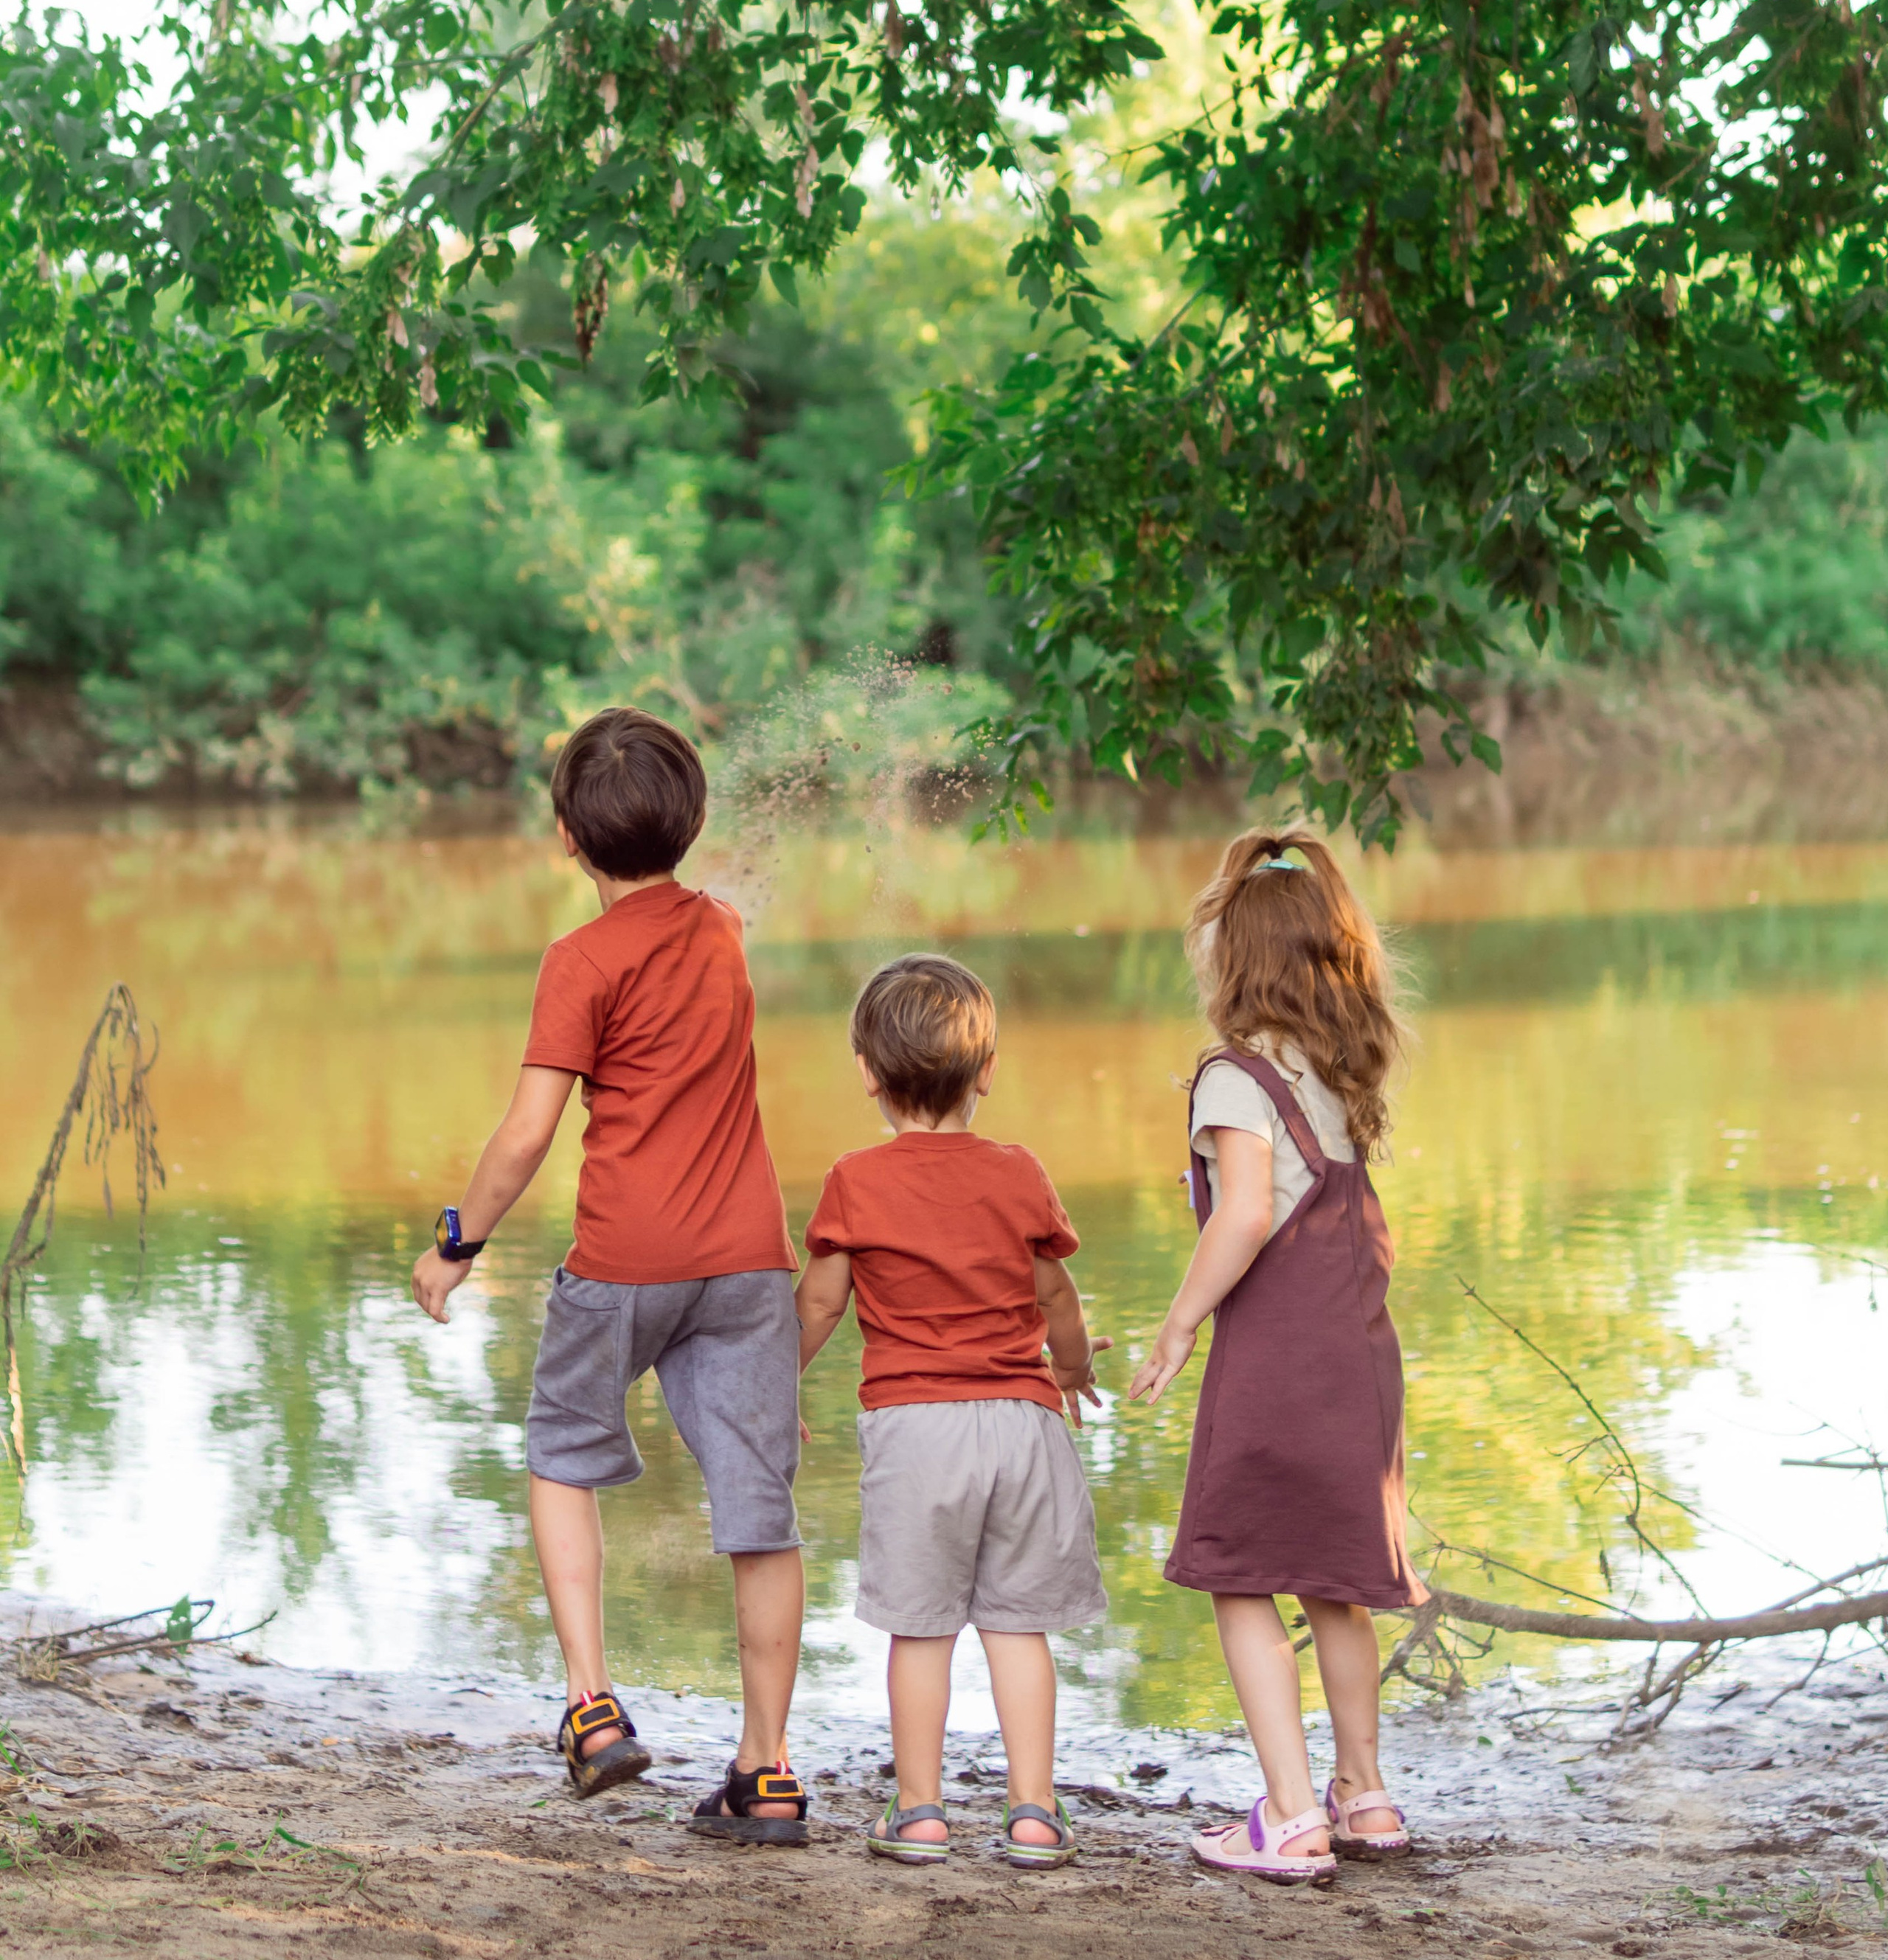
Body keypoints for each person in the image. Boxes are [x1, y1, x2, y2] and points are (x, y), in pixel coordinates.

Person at [409, 707, 811, 1843]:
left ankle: (592, 1707)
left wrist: (457, 1241)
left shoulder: (578, 960)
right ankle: (766, 1769)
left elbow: (529, 1132)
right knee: (760, 1511)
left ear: (565, 838)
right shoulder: (724, 927)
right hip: (746, 1265)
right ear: (691, 824)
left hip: (624, 1260)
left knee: (559, 1451)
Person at [1128, 830, 1420, 1886]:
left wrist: (1178, 1323)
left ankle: (1290, 1815)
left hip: (1278, 1359)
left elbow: (1246, 1214)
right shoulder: (1346, 1074)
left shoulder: (1234, 1075)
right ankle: (1363, 1790)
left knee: (1240, 1574)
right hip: (1360, 1359)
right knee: (1334, 1582)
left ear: (1234, 957)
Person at [795, 954, 1109, 1868]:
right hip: (1023, 1420)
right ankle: (1034, 1812)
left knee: (921, 1628)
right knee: (1018, 1626)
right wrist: (1073, 1368)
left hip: (917, 1428)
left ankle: (922, 1811)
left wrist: (773, 1386)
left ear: (866, 1072)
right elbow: (1058, 1293)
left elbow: (820, 1303)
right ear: (986, 1072)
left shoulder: (856, 1180)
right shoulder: (1019, 1172)